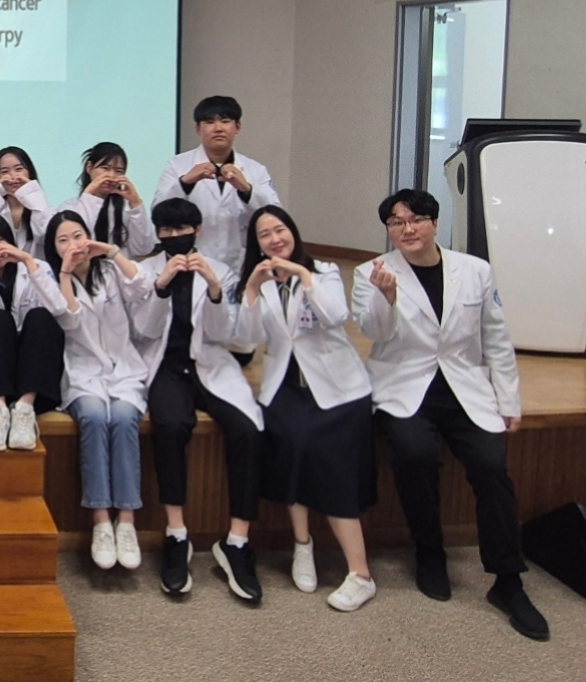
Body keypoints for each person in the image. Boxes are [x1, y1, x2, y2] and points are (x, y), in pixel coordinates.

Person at [352, 189, 548, 641]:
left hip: (464, 386)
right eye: (396, 223)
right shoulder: (371, 272)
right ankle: (430, 553)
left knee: (491, 466)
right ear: (389, 230)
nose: (407, 229)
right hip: (404, 386)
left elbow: (495, 337)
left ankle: (508, 580)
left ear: (435, 224)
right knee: (414, 455)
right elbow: (374, 331)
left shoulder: (475, 270)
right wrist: (386, 296)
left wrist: (509, 400)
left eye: (416, 220)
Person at [236, 206, 377, 611]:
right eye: (264, 234)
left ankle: (360, 574)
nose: (274, 239)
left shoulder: (325, 272)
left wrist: (302, 275)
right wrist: (251, 289)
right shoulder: (259, 282)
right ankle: (302, 545)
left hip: (337, 389)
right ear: (257, 244)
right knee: (292, 446)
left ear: (293, 232)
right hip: (285, 388)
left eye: (280, 229)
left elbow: (336, 316)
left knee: (330, 463)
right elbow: (244, 339)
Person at [132, 197, 264, 602]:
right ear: (158, 234)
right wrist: (161, 286)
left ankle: (237, 541)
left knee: (247, 430)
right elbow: (144, 330)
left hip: (210, 363)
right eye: (167, 230)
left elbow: (227, 334)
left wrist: (215, 289)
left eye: (182, 229)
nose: (175, 236)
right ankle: (176, 534)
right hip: (166, 366)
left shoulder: (220, 269)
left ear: (198, 230)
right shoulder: (146, 271)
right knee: (172, 426)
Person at [44, 211, 154, 571]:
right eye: (63, 240)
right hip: (84, 375)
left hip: (124, 372)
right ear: (54, 248)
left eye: (78, 236)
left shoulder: (109, 270)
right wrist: (65, 273)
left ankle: (127, 522)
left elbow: (142, 285)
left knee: (122, 418)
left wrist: (111, 251)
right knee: (93, 417)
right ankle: (101, 521)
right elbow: (70, 319)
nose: (73, 245)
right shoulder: (52, 278)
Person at [0, 213, 67, 453]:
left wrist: (27, 260)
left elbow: (59, 308)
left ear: (11, 241)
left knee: (40, 316)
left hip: (35, 377)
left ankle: (24, 409)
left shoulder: (36, 267)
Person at [152, 97, 279, 271]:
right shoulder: (177, 165)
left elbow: (276, 216)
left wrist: (246, 189)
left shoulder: (255, 170)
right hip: (191, 262)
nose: (218, 128)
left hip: (241, 263)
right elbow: (158, 211)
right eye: (210, 122)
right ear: (198, 129)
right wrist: (185, 183)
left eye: (225, 121)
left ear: (237, 127)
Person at [60, 143, 155, 259]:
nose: (111, 176)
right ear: (89, 167)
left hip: (120, 269)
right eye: (105, 168)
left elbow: (143, 248)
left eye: (118, 171)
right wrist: (89, 194)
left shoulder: (127, 208)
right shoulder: (69, 207)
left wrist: (135, 203)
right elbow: (76, 245)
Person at [0, 146, 52, 262]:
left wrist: (33, 193)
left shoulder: (46, 209)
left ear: (29, 172)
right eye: (4, 172)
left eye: (18, 169)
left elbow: (45, 236)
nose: (12, 177)